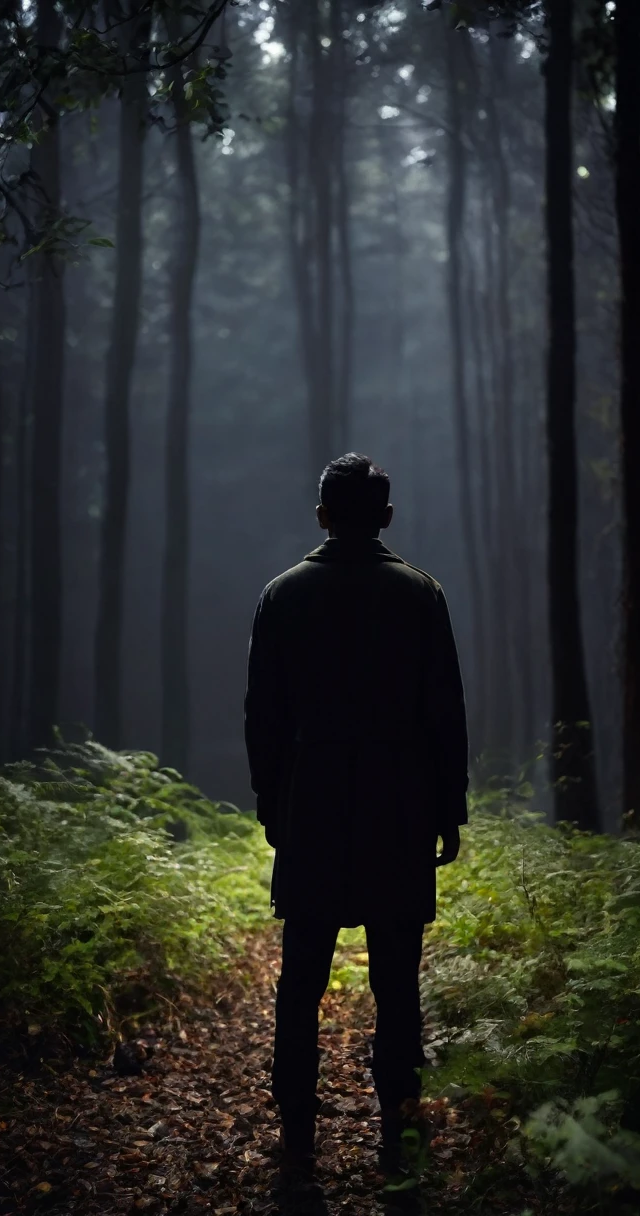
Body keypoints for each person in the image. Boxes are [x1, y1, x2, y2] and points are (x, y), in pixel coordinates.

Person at [244, 452, 468, 1187]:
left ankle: (298, 1130)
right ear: (387, 518)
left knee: (301, 976)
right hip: (400, 806)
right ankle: (399, 1126)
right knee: (397, 977)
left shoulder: (284, 596)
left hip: (312, 802)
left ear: (322, 517)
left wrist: (271, 805)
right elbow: (444, 715)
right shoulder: (419, 595)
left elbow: (263, 718)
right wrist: (449, 810)